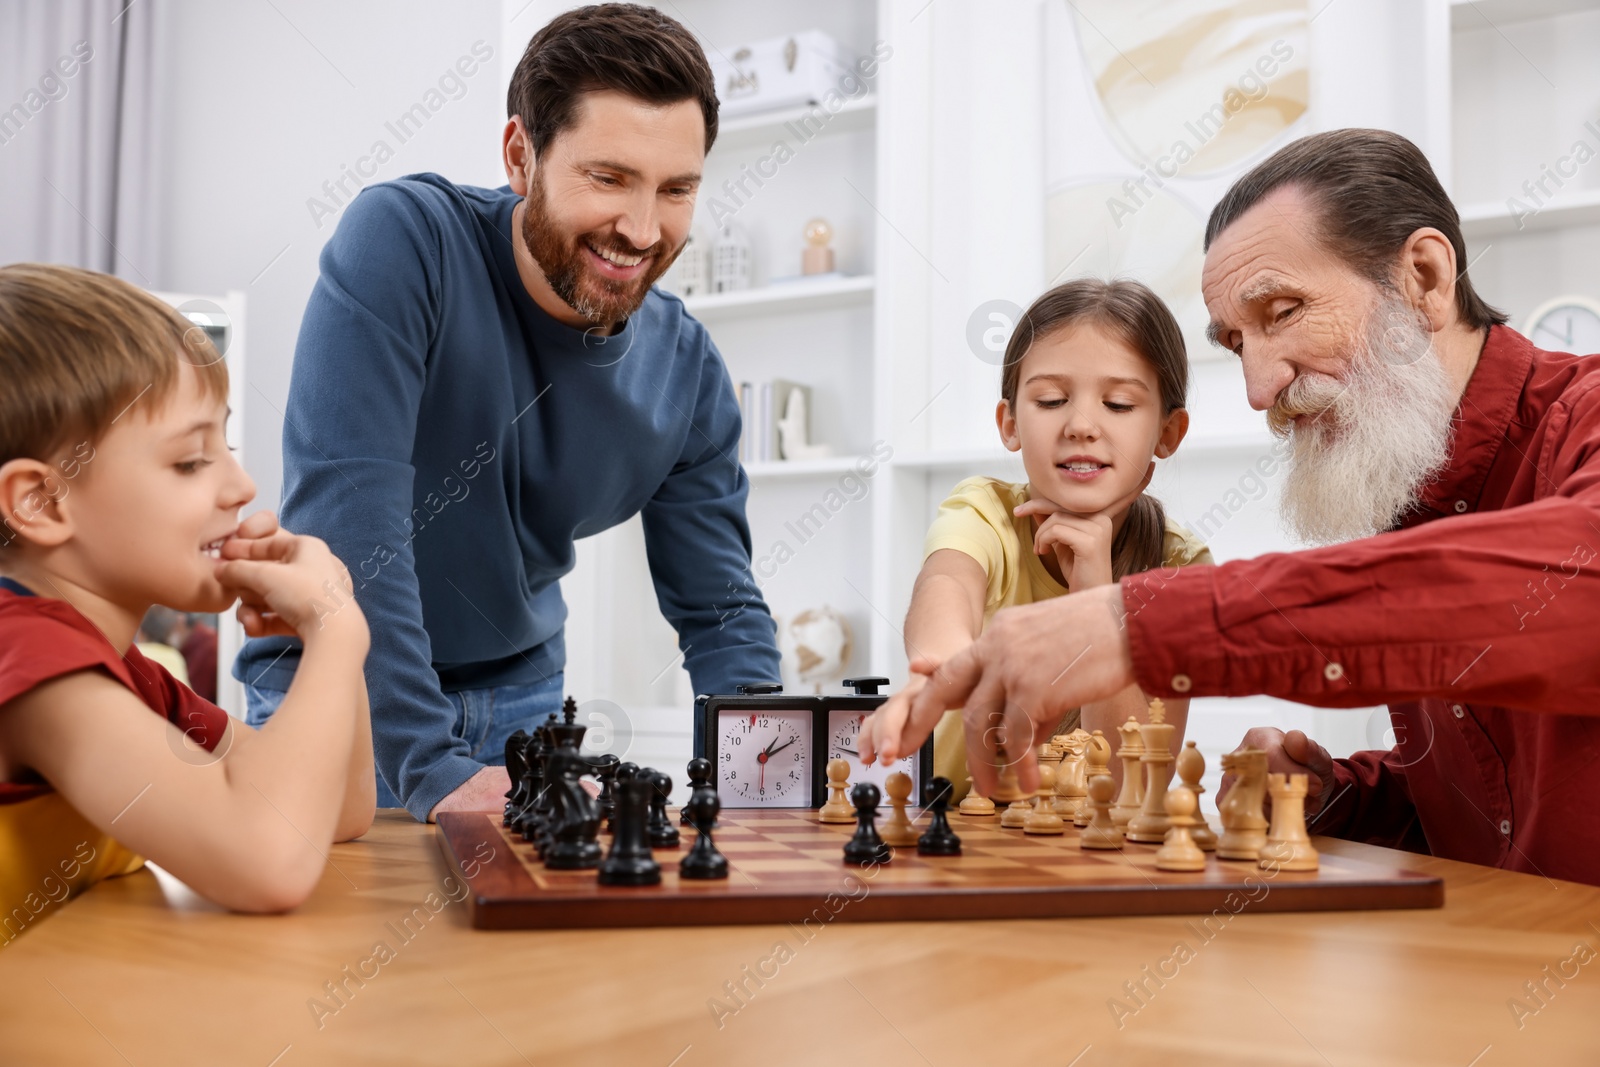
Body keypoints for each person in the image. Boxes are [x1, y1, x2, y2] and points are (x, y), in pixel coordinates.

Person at [862, 128, 1600, 886]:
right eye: (1234, 342)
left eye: (1281, 312)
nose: (1258, 389)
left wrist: (1134, 622)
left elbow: (1573, 587)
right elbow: (1501, 799)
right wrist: (1331, 797)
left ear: (1424, 276)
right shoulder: (1409, 493)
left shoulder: (1586, 417)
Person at [234, 3, 782, 823]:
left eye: (675, 189)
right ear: (521, 155)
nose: (641, 229)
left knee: (515, 954)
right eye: (608, 177)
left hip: (521, 704)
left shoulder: (690, 369)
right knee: (335, 946)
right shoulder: (404, 242)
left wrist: (766, 772)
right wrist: (426, 762)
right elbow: (354, 519)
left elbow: (721, 608)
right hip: (339, 689)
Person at [0, 264, 374, 927]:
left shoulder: (130, 676)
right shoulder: (28, 653)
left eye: (224, 445)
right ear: (41, 500)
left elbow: (340, 810)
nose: (242, 486)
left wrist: (319, 632)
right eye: (190, 461)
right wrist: (336, 627)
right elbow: (267, 861)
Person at [902, 279, 1212, 799]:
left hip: (1093, 851)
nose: (1081, 425)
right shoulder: (986, 513)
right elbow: (946, 583)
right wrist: (941, 667)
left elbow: (1129, 782)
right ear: (1009, 423)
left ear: (1168, 433)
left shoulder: (1178, 563)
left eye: (1118, 404)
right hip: (957, 835)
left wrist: (1092, 596)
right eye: (1051, 400)